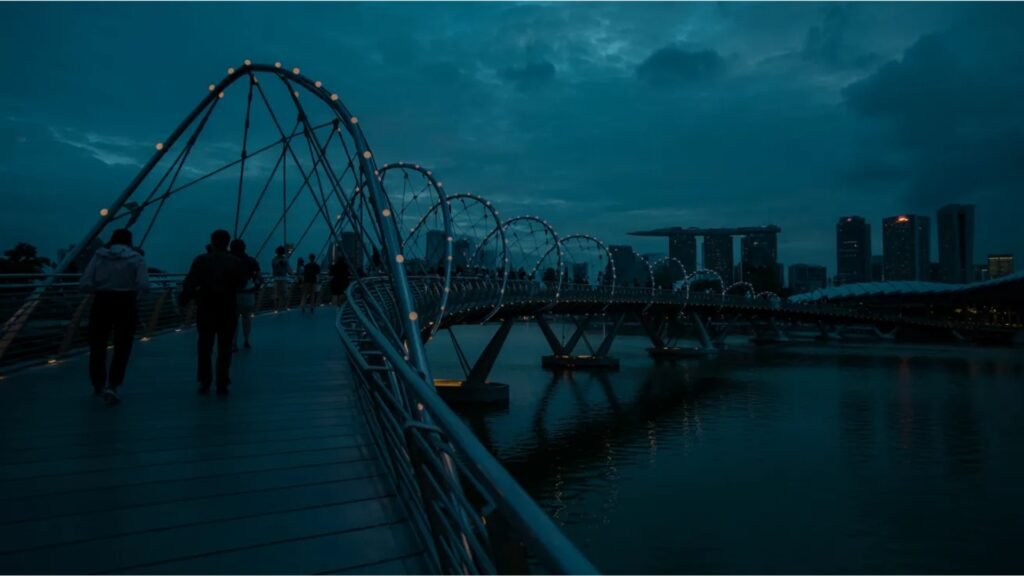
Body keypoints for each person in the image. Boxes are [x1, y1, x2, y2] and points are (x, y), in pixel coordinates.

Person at [80, 228, 149, 404]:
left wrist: (99, 290)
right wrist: (135, 297)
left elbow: (85, 282)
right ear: (129, 241)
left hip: (102, 301)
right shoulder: (136, 258)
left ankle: (98, 383)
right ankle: (113, 385)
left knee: (97, 344)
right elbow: (143, 284)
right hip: (126, 302)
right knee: (123, 346)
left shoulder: (99, 256)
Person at [179, 229, 245, 395]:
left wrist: (185, 300)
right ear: (227, 242)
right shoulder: (235, 262)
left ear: (212, 242)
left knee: (204, 346)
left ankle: (204, 380)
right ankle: (222, 382)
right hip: (228, 308)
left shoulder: (201, 260)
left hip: (206, 308)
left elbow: (190, 282)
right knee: (225, 346)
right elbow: (241, 283)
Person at [230, 239, 261, 350]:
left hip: (232, 295)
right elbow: (258, 277)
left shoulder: (228, 260)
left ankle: (233, 342)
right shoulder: (251, 261)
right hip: (248, 294)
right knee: (246, 317)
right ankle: (246, 339)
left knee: (233, 319)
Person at [271, 246, 291, 311]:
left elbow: (273, 269)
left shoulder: (274, 260)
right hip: (283, 278)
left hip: (275, 278)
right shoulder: (285, 259)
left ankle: (276, 308)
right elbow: (288, 270)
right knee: (284, 294)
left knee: (276, 294)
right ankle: (283, 307)